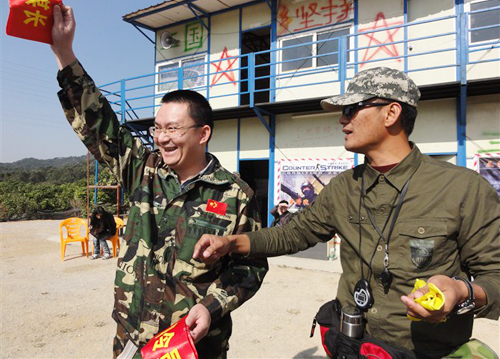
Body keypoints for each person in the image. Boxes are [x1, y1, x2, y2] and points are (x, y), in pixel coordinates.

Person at [194, 67, 500, 358]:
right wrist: (231, 243)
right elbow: (293, 234)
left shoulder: (462, 188)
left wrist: (460, 291)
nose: (343, 119)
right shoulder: (343, 188)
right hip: (351, 345)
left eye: (353, 109)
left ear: (391, 113)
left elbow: (495, 276)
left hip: (426, 351)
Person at [50, 4, 268, 358]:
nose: (162, 138)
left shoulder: (235, 195)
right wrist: (64, 52)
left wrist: (212, 306)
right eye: (158, 128)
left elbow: (251, 267)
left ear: (203, 133)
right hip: (132, 339)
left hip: (195, 347)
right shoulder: (143, 170)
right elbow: (98, 123)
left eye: (173, 128)